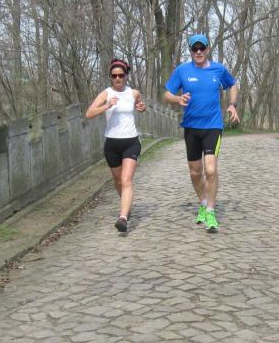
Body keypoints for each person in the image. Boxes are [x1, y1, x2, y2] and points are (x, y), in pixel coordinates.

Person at [164, 33, 240, 233]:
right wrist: (177, 99)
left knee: (211, 170)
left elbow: (232, 84)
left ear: (207, 49)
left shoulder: (218, 69)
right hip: (191, 127)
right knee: (195, 172)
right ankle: (203, 202)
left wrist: (232, 104)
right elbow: (167, 94)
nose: (198, 52)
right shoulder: (182, 70)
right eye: (194, 49)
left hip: (213, 126)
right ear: (191, 51)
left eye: (202, 48)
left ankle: (211, 211)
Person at [85, 58, 146, 233]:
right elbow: (89, 113)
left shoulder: (133, 93)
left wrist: (142, 107)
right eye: (114, 76)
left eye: (121, 75)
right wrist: (106, 106)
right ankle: (126, 206)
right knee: (118, 181)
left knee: (126, 180)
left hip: (131, 141)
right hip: (112, 143)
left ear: (126, 75)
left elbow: (140, 105)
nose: (117, 78)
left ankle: (123, 217)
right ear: (111, 77)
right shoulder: (106, 93)